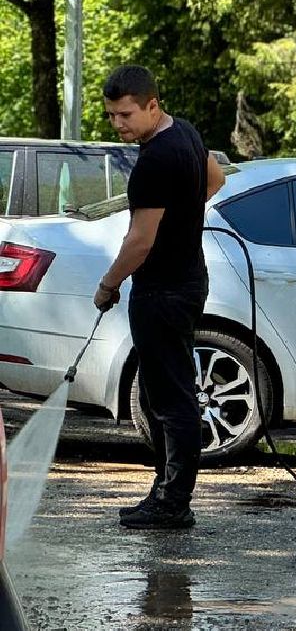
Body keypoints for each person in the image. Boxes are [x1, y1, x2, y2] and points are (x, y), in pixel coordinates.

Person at [95, 65, 226, 530]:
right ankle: (165, 494)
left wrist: (108, 284)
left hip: (163, 289)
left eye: (126, 114)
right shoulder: (185, 133)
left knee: (170, 400)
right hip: (190, 279)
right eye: (111, 116)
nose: (118, 125)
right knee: (166, 394)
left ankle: (173, 503)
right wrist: (184, 215)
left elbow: (139, 242)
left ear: (153, 103)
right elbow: (216, 180)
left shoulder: (154, 160)